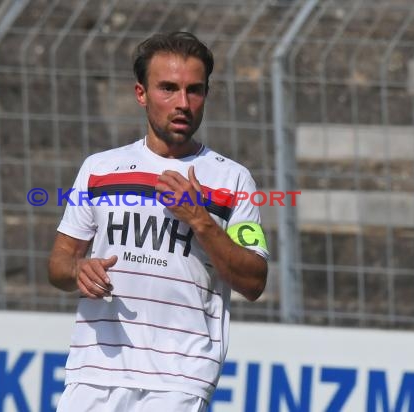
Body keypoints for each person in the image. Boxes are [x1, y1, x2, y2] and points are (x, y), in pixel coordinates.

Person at [48, 31, 269, 412]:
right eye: (168, 88)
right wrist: (78, 270)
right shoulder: (100, 169)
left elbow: (254, 281)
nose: (182, 103)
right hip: (94, 371)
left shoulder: (232, 179)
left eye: (194, 90)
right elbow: (58, 265)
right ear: (141, 93)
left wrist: (200, 219)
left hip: (178, 380)